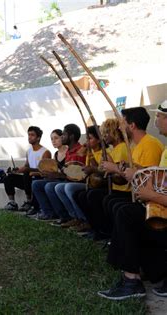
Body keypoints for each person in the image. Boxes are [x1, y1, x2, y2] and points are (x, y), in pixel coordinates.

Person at [98, 101, 167, 300]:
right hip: (157, 206)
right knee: (122, 208)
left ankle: (132, 279)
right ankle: (136, 271)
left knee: (125, 212)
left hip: (160, 209)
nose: (157, 121)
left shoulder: (153, 145)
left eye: (160, 117)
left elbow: (152, 184)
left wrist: (150, 195)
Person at [32, 124, 86, 223]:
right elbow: (66, 171)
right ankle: (50, 213)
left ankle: (76, 217)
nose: (62, 137)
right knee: (36, 184)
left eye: (64, 134)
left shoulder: (80, 151)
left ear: (71, 136)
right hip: (65, 179)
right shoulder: (69, 151)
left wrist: (58, 175)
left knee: (55, 186)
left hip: (76, 181)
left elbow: (77, 175)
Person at [2, 126, 51, 212]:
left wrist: (27, 170)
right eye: (28, 135)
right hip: (28, 178)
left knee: (26, 173)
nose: (29, 137)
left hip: (38, 178)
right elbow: (26, 166)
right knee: (8, 177)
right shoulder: (29, 151)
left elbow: (45, 171)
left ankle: (29, 202)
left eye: (32, 135)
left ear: (38, 138)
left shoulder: (45, 152)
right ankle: (12, 203)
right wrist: (16, 170)